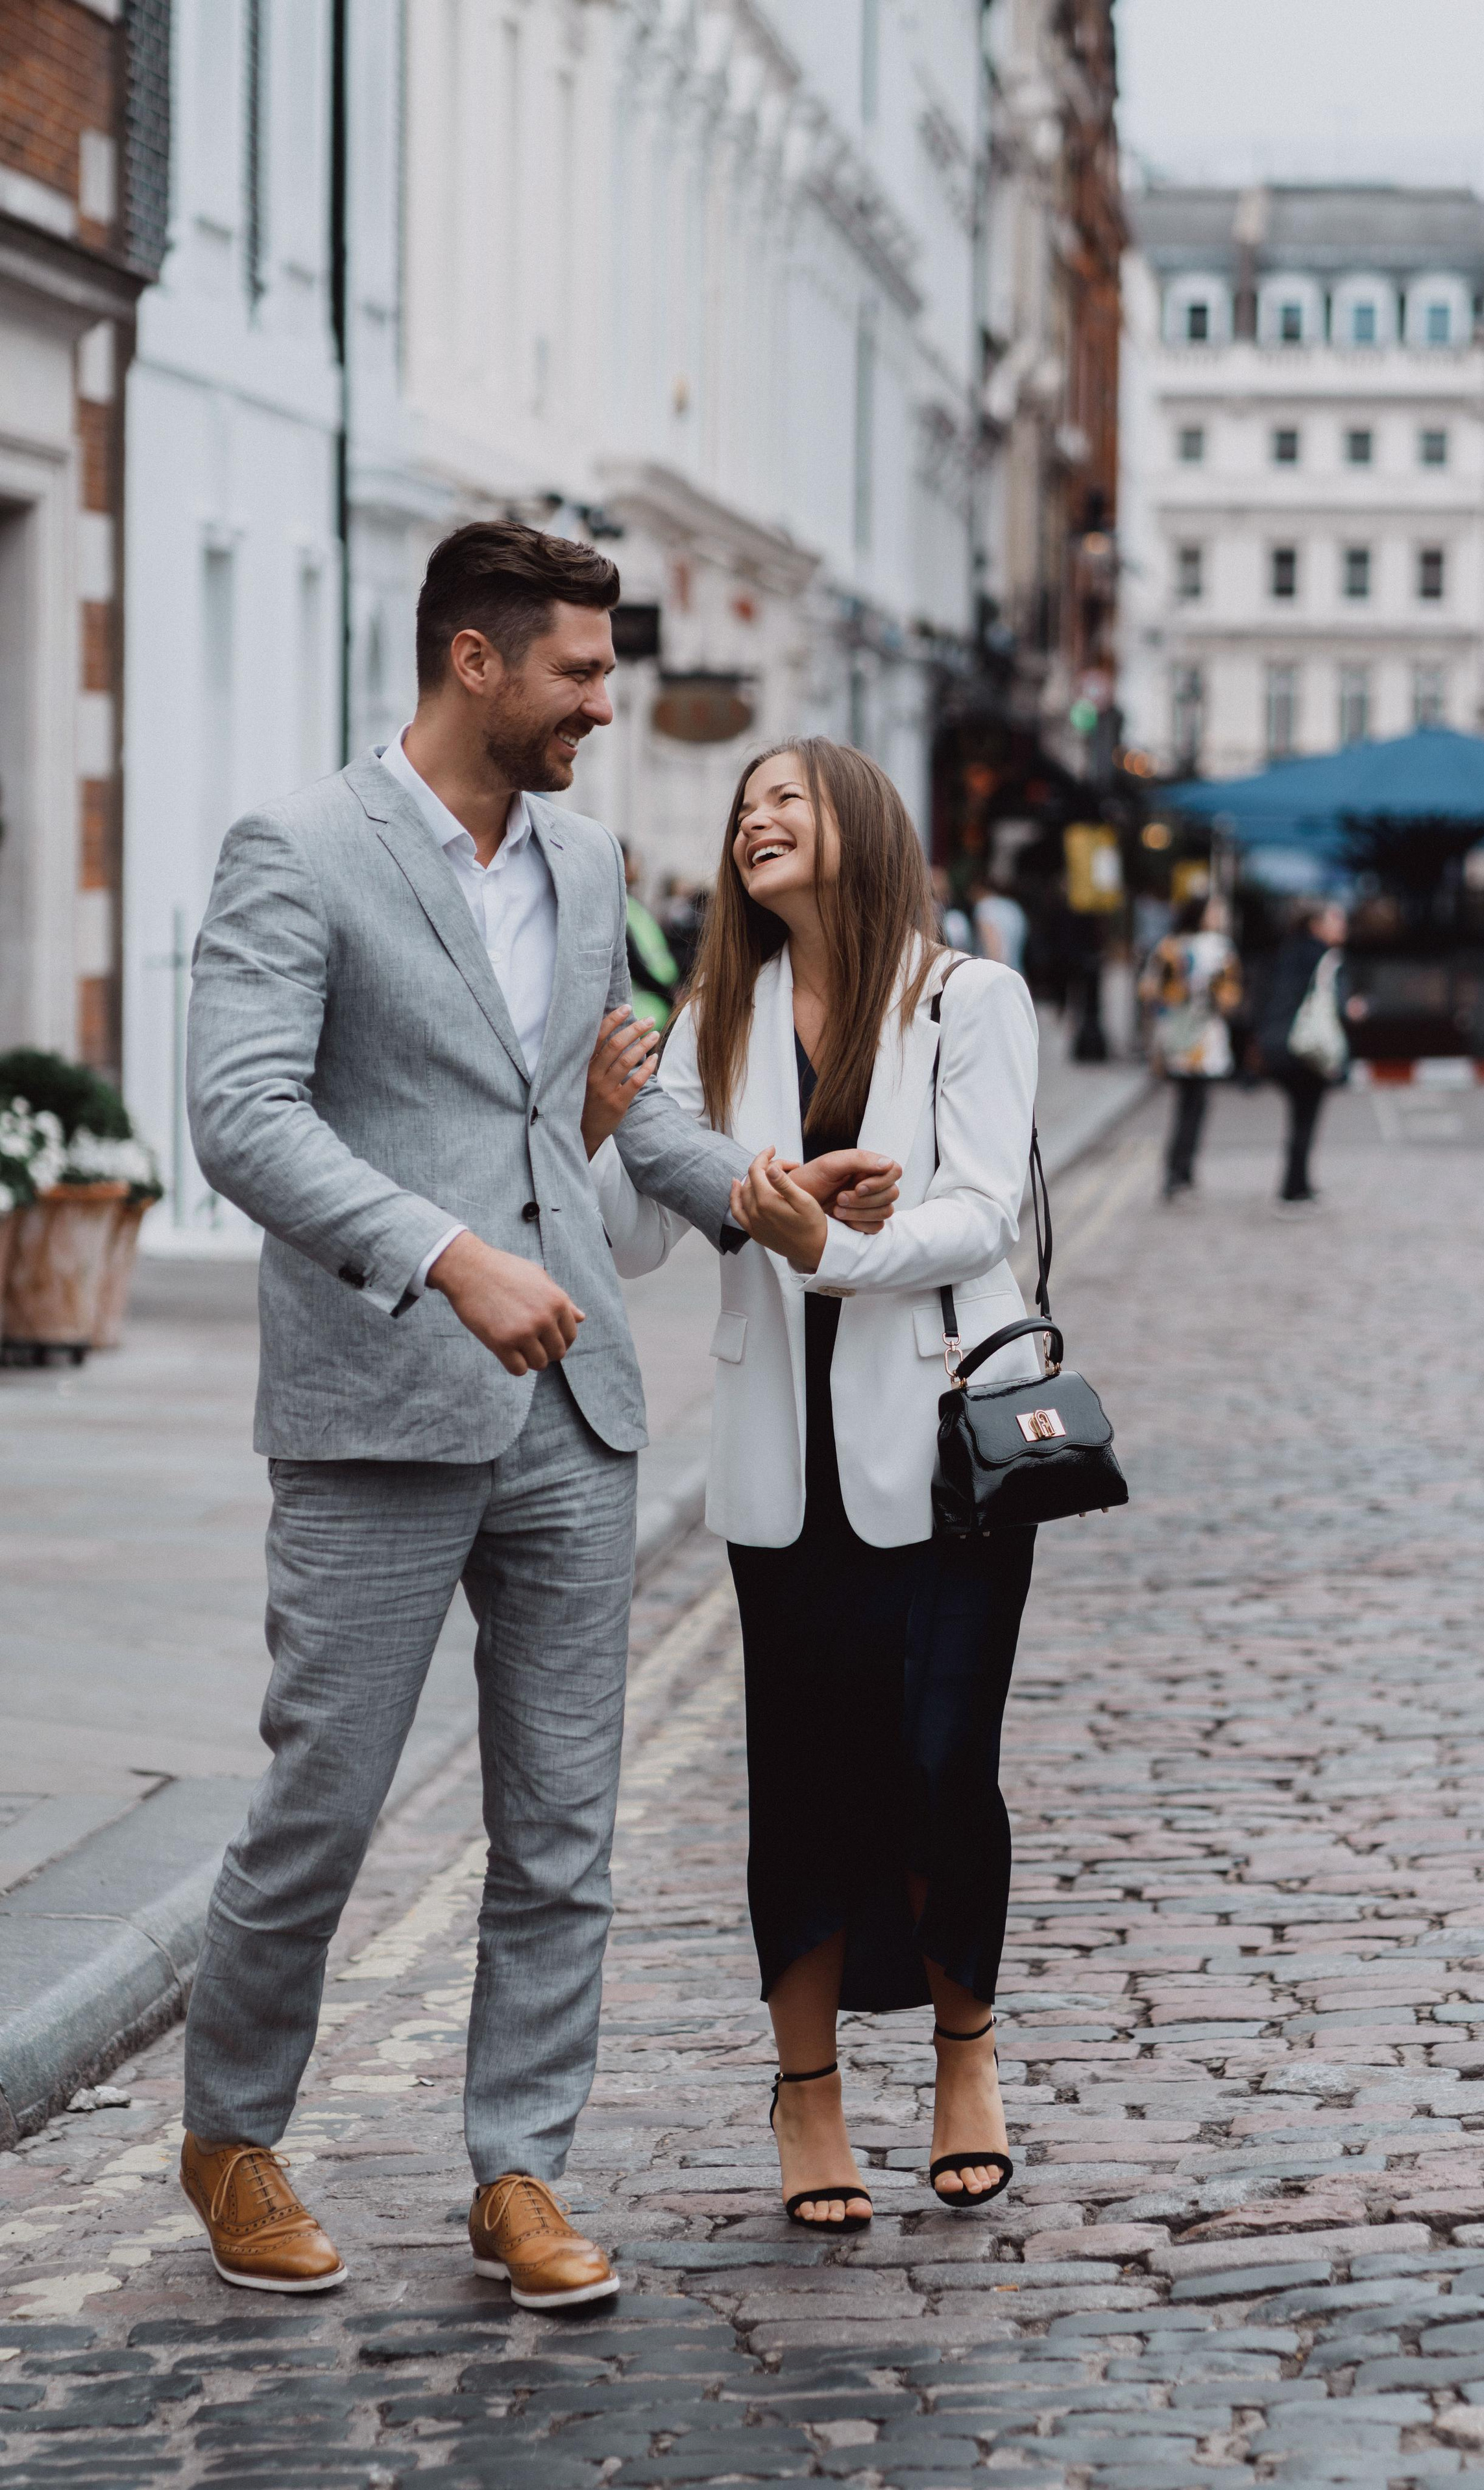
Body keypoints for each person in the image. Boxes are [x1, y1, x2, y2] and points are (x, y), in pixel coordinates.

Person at [178, 524, 900, 2310]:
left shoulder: (584, 859)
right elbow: (243, 1116)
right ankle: (232, 2131)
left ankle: (522, 2165)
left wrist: (759, 1187)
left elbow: (626, 1106)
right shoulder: (301, 852)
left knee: (563, 1817)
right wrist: (443, 1255)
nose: (606, 699)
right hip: (377, 1410)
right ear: (476, 662)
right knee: (325, 1799)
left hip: (573, 1410)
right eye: (580, 671)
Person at [592, 738, 1042, 2228]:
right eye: (740, 810)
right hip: (780, 1477)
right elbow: (637, 1238)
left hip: (943, 1465)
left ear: (857, 823)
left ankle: (964, 2062)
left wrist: (825, 1247)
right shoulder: (715, 1015)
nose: (754, 822)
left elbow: (977, 1213)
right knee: (795, 1785)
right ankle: (808, 2098)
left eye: (783, 799)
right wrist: (601, 1118)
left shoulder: (965, 1000)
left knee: (938, 1774)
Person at [1256, 897, 1363, 1212]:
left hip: (1279, 1044)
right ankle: (1294, 1189)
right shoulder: (1326, 959)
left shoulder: (1285, 952)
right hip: (1307, 1048)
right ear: (1316, 925)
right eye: (1336, 919)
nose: (1342, 926)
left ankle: (1298, 1184)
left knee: (1300, 1117)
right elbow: (1336, 1007)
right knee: (1305, 1118)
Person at [1139, 892, 1243, 1201]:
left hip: (1173, 1035)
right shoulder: (1221, 948)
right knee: (1196, 1106)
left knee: (1184, 1104)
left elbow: (1148, 989)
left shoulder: (1168, 946)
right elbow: (1230, 996)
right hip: (1204, 1037)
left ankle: (1177, 1172)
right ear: (1202, 914)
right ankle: (1181, 1172)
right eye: (1216, 910)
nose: (1220, 915)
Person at [621, 844, 680, 1032]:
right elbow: (634, 964)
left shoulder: (633, 904)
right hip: (643, 1014)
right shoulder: (617, 907)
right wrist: (669, 995)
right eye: (631, 860)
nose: (636, 866)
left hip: (656, 1011)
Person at [970, 875, 1029, 976]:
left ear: (978, 889)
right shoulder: (1013, 906)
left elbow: (992, 945)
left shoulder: (985, 907)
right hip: (1017, 972)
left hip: (996, 974)